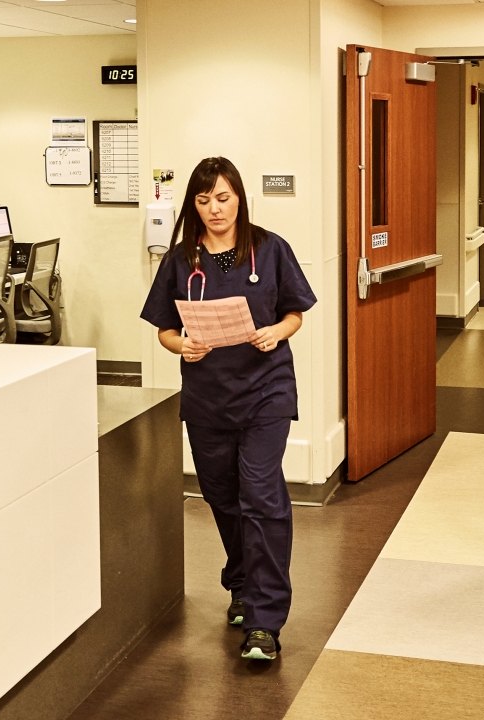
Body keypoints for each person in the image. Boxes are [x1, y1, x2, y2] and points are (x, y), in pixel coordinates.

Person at [140, 157, 316, 661]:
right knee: (221, 495)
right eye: (203, 200)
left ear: (239, 197)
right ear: (193, 206)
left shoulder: (269, 248)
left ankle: (265, 621)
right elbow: (163, 328)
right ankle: (241, 582)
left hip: (267, 391)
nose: (214, 209)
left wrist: (274, 332)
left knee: (261, 494)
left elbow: (294, 313)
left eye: (223, 197)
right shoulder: (180, 260)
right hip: (207, 395)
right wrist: (182, 346)